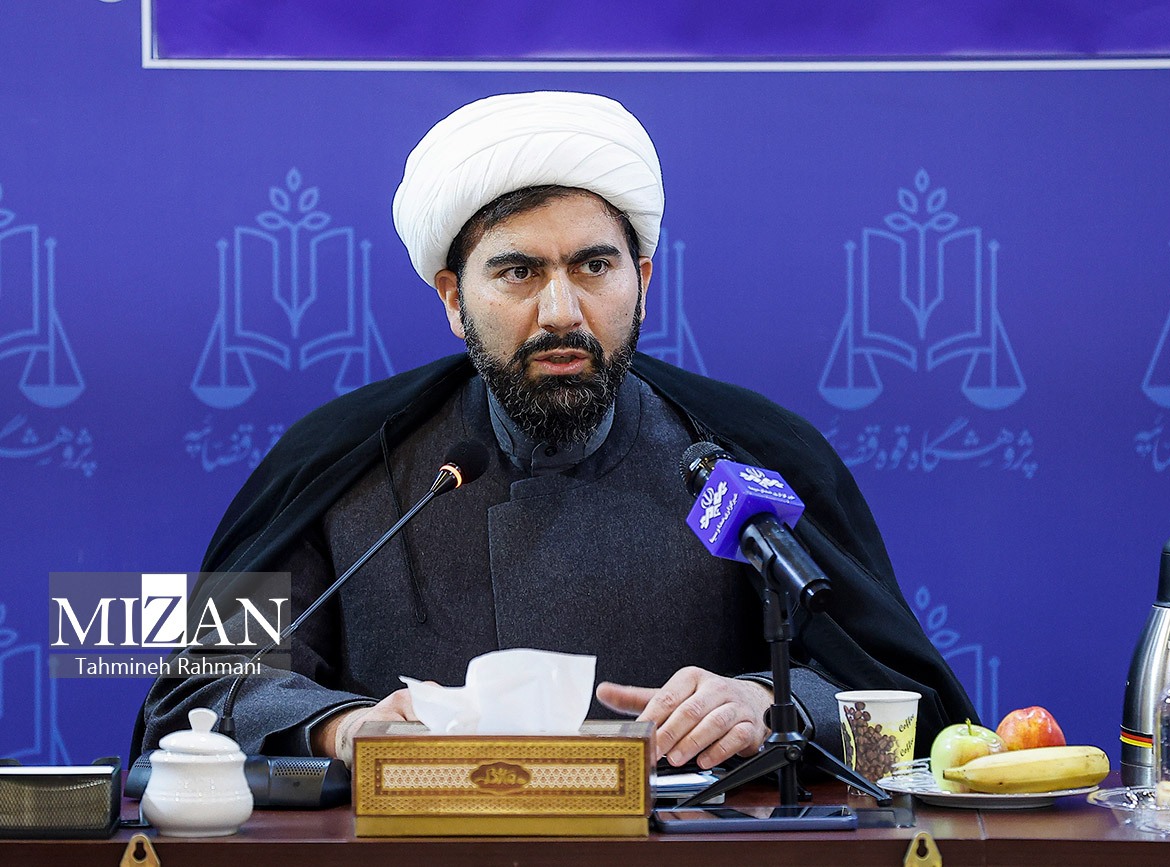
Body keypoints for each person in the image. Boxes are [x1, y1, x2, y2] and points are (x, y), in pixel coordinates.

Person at [133, 91, 975, 771]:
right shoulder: (345, 460)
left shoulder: (748, 455)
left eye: (593, 265)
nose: (562, 310)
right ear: (453, 298)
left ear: (642, 280)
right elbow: (199, 691)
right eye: (518, 271)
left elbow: (912, 713)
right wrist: (341, 727)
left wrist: (773, 704)